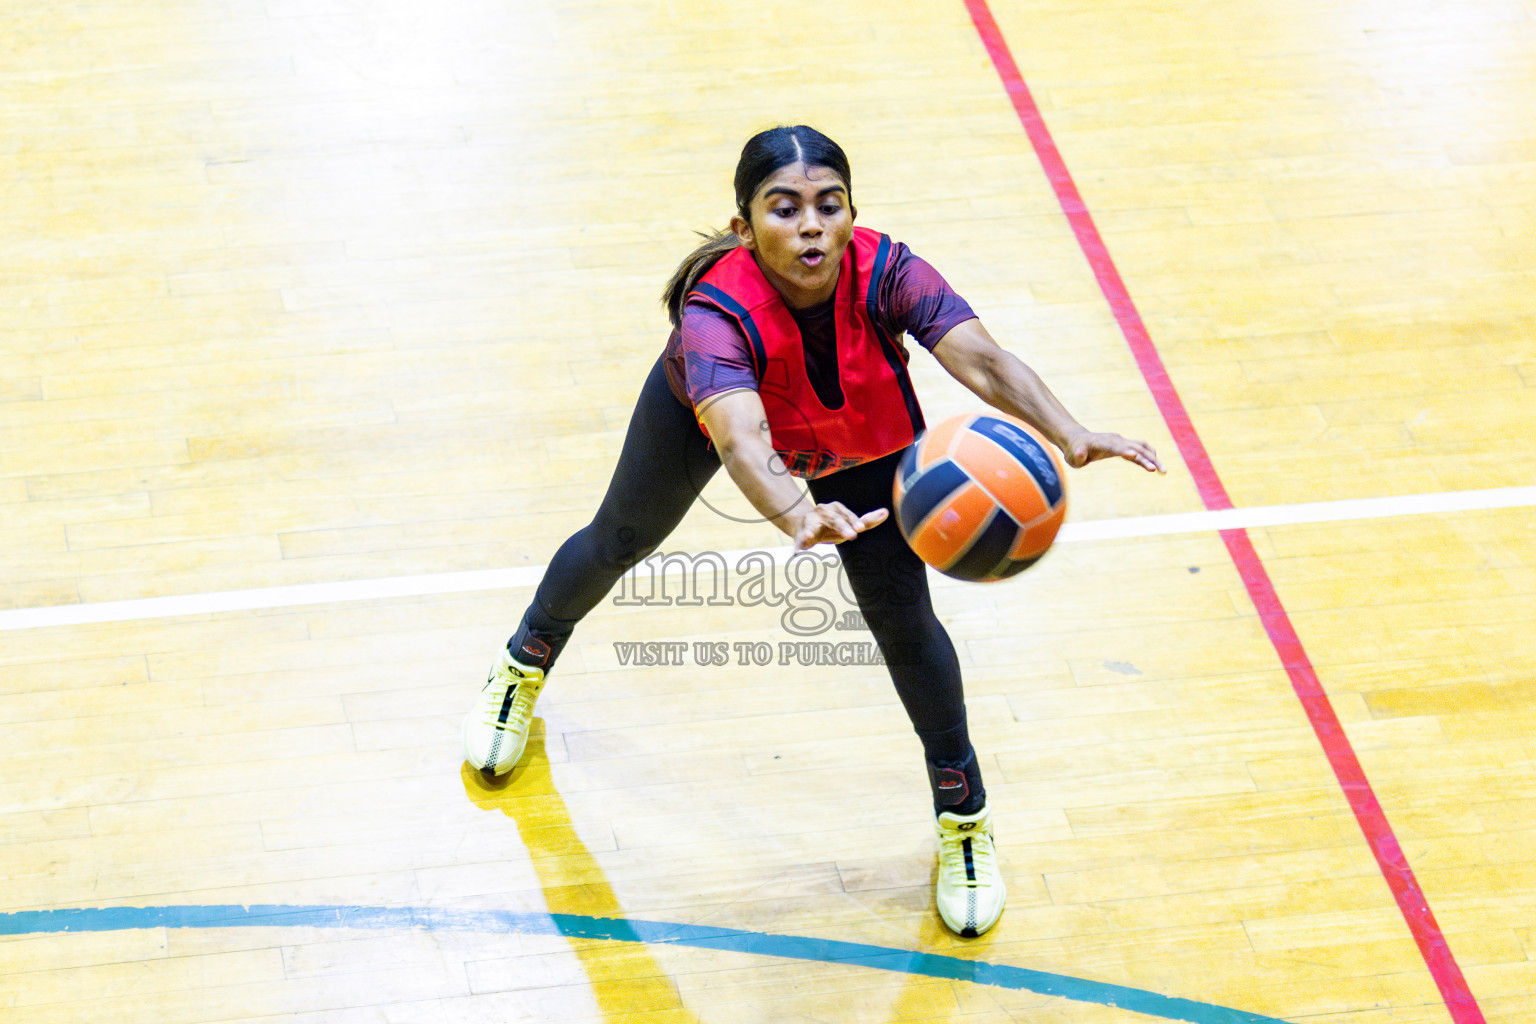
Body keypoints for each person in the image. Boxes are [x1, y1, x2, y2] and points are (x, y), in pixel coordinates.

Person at [464, 125, 1163, 938]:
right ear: (743, 227)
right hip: (715, 424)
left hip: (860, 443)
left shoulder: (889, 268)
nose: (811, 226)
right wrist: (799, 513)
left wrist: (1069, 432)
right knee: (619, 540)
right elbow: (740, 442)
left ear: (851, 213)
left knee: (903, 621)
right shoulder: (715, 313)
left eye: (828, 206)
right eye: (784, 207)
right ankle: (523, 661)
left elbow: (987, 361)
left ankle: (963, 818)